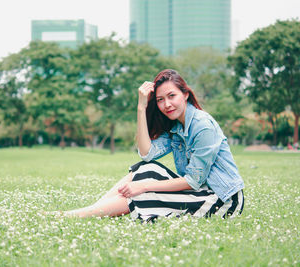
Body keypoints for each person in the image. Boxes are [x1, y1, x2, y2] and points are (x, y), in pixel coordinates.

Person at [63, 69, 245, 222]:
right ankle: (89, 210)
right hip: (199, 191)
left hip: (223, 200)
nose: (167, 104)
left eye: (172, 96)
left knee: (144, 193)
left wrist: (144, 186)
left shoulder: (202, 126)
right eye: (160, 100)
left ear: (186, 94)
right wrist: (141, 108)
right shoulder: (176, 127)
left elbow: (193, 181)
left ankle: (72, 216)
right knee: (146, 168)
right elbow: (146, 154)